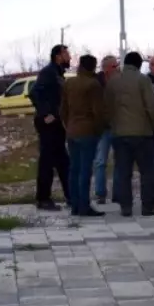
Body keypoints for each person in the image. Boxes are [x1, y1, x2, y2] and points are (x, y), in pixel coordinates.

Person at [104, 51, 154, 217]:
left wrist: (113, 125)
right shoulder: (143, 80)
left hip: (119, 134)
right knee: (147, 171)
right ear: (138, 65)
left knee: (123, 171)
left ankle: (126, 207)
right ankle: (148, 206)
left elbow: (107, 107)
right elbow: (151, 105)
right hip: (142, 133)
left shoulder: (113, 82)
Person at [61, 54, 105, 217]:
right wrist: (99, 130)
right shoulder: (93, 85)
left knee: (74, 169)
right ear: (93, 67)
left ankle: (74, 205)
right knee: (85, 170)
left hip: (72, 130)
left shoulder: (69, 83)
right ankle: (84, 206)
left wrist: (68, 125)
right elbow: (98, 112)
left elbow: (63, 109)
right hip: (88, 131)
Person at [30, 44, 71, 211]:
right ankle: (43, 199)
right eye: (67, 54)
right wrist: (46, 113)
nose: (69, 57)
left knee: (63, 161)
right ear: (58, 56)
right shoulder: (49, 72)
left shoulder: (58, 73)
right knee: (47, 161)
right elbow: (35, 92)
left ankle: (71, 196)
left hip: (57, 123)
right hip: (48, 123)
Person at [93, 55, 120, 205]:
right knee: (100, 161)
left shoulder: (120, 81)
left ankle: (117, 193)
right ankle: (100, 193)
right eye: (115, 66)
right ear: (106, 68)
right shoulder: (97, 82)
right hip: (103, 128)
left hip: (118, 126)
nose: (117, 69)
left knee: (119, 161)